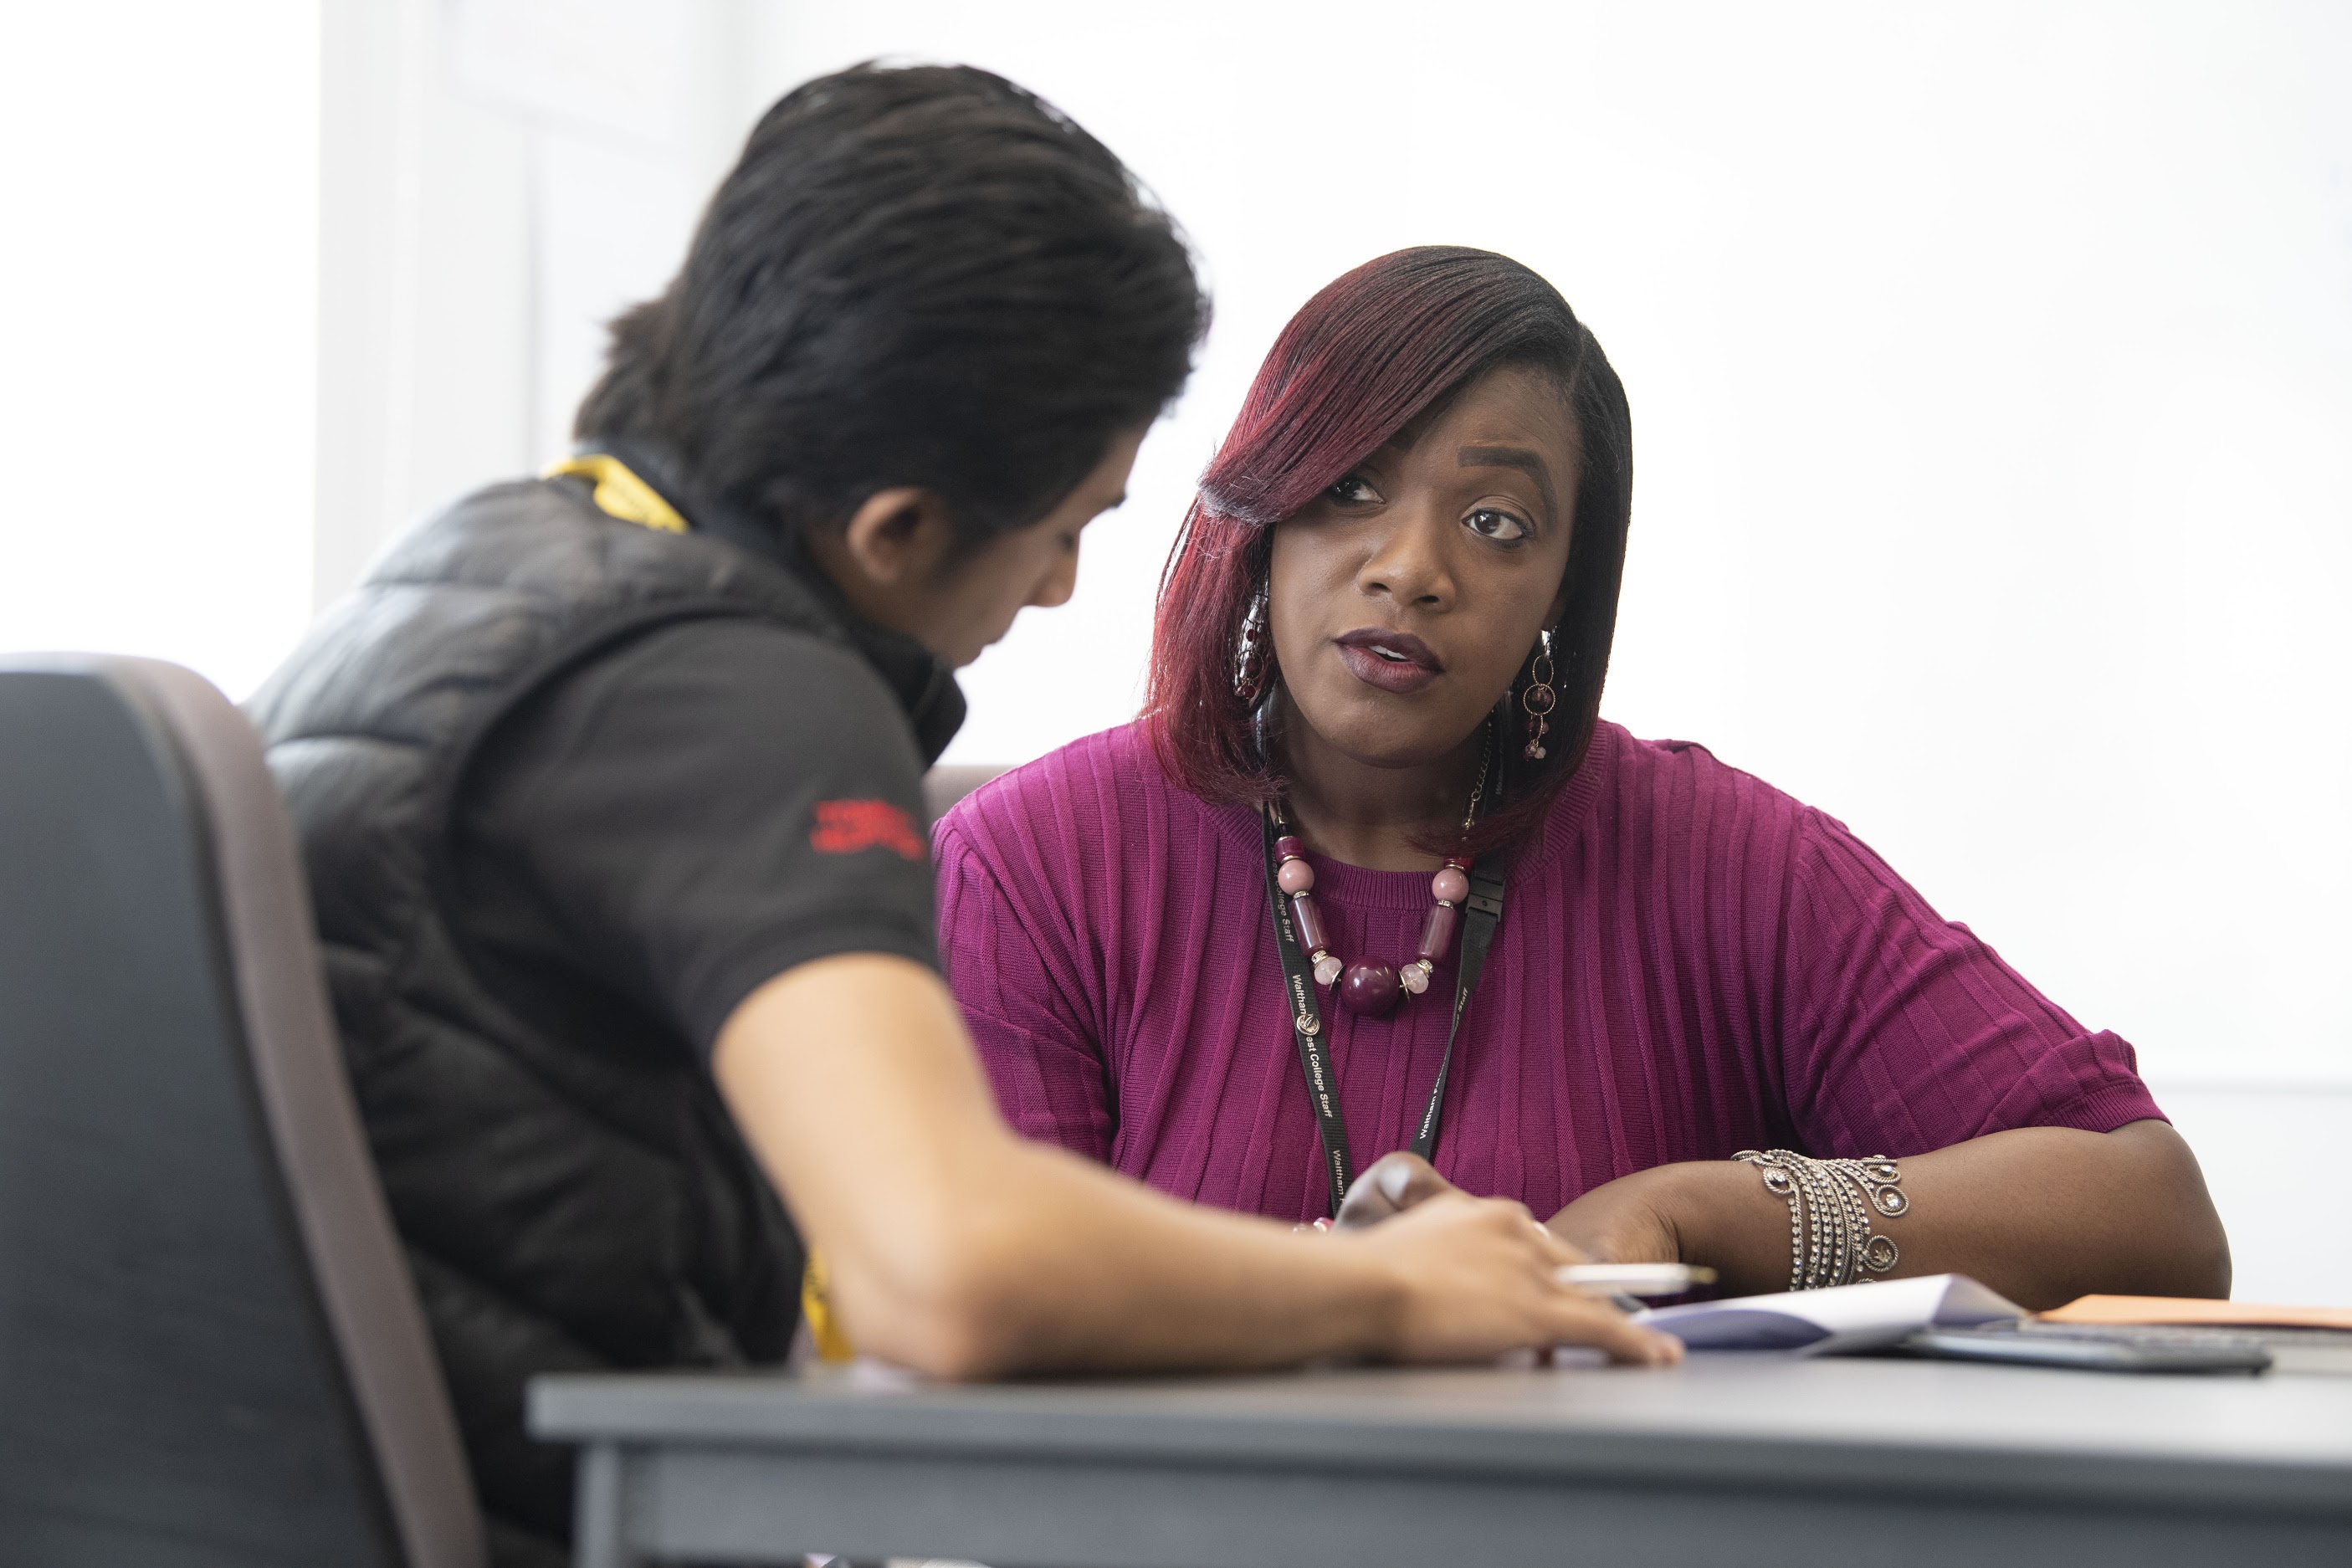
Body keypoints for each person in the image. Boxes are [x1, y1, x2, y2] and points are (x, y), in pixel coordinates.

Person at [251, 74, 1672, 1568]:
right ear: (898, 529)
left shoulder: (468, 575)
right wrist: (1399, 1292)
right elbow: (947, 1267)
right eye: (1066, 532)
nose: (1057, 590)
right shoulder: (734, 696)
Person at [935, 245, 2232, 1314]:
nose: (1412, 566)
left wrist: (1701, 1210)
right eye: (1350, 489)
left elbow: (2152, 1210)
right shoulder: (1037, 863)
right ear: (1262, 519)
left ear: (1564, 590)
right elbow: (985, 1307)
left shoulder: (1723, 861)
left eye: (1497, 521)